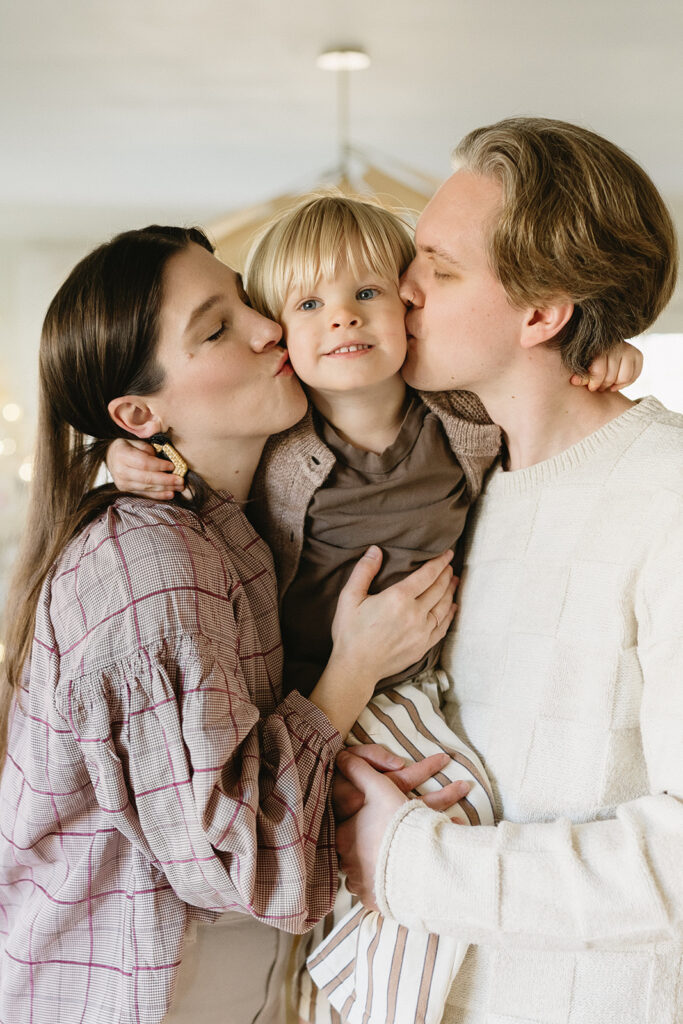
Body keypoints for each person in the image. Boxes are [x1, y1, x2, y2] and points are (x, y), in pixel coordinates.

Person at [107, 194, 643, 1024]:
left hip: (415, 685)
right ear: (281, 338)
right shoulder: (283, 441)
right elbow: (191, 464)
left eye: (366, 294)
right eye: (310, 305)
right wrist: (121, 459)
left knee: (438, 817)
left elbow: (530, 380)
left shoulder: (457, 418)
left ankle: (341, 985)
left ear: (405, 306)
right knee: (448, 811)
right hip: (317, 694)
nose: (343, 320)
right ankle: (358, 997)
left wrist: (598, 355)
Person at [0, 225, 464, 1024]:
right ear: (140, 413)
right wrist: (352, 669)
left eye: (248, 302)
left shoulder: (228, 522)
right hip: (133, 993)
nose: (269, 328)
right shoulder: (154, 566)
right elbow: (232, 860)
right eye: (217, 328)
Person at [332, 117, 682, 1024]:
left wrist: (403, 859)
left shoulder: (668, 497)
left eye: (439, 271)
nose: (397, 291)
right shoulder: (457, 480)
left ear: (540, 314)